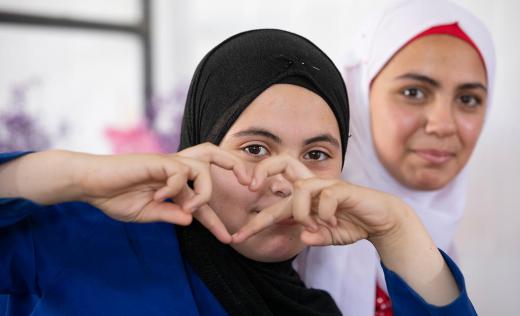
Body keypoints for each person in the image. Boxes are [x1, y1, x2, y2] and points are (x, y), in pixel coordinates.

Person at [0, 29, 474, 315]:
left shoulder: (319, 310)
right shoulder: (85, 245)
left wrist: (399, 231)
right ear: (197, 145)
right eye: (254, 147)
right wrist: (75, 177)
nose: (284, 179)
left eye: (316, 155)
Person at [294, 0, 495, 315]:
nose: (443, 125)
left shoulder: (444, 241)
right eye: (413, 92)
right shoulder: (284, 222)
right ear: (359, 97)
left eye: (468, 99)